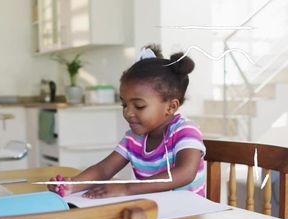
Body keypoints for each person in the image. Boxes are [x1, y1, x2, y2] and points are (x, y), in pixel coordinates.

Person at [48, 45, 206, 198]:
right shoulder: (133, 138)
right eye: (124, 104)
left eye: (139, 106)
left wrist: (127, 188)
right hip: (154, 211)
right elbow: (104, 169)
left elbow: (185, 172)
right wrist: (73, 184)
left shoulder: (185, 131)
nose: (128, 112)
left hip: (189, 215)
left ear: (171, 107)